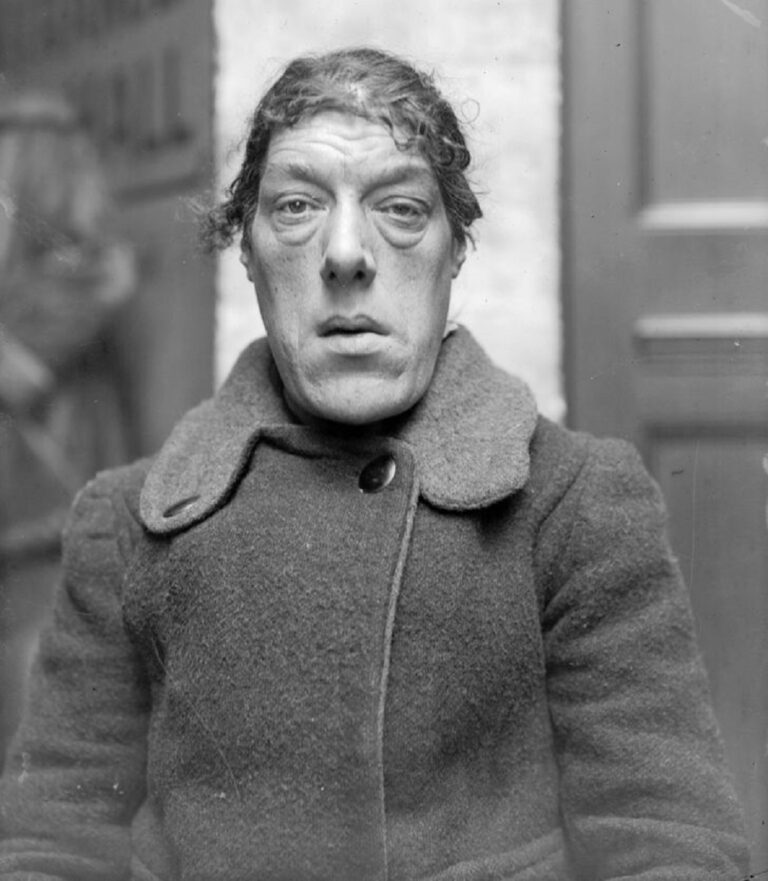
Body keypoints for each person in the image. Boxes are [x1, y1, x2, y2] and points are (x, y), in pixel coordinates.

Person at [0, 48, 749, 881]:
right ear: (247, 252)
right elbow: (51, 847)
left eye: (400, 208)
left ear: (455, 249)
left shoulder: (575, 503)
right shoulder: (125, 523)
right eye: (295, 206)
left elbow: (668, 846)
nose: (347, 253)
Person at [0, 91, 135, 758]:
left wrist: (17, 351)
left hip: (45, 501)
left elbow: (15, 375)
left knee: (33, 722)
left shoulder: (32, 140)